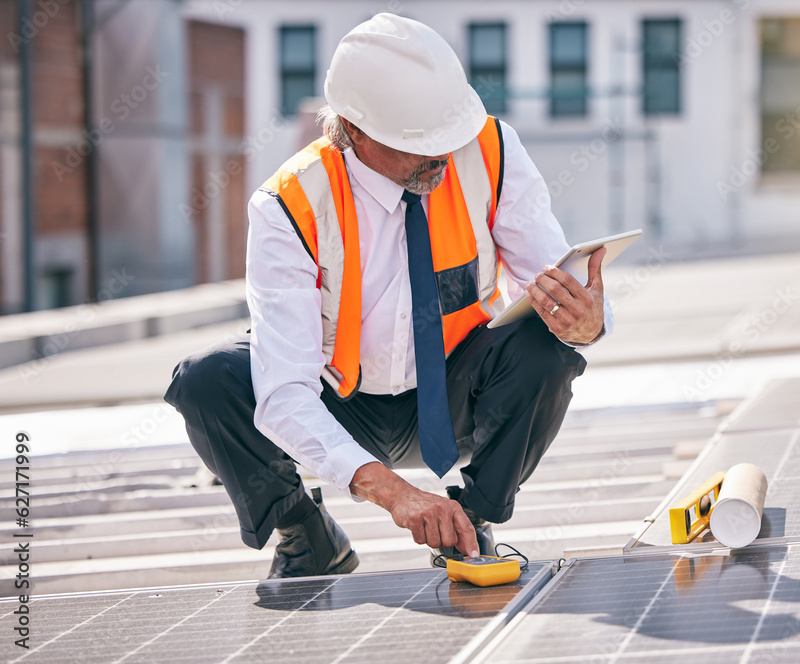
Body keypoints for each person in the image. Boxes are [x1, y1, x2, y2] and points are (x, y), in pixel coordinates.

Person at [164, 12, 612, 579]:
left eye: (449, 136)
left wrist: (586, 323)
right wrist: (395, 494)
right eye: (420, 143)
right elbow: (283, 392)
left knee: (543, 345)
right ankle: (305, 535)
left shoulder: (490, 150)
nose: (443, 156)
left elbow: (552, 279)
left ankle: (469, 523)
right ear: (352, 130)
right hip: (343, 402)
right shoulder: (289, 205)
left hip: (455, 397)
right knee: (207, 380)